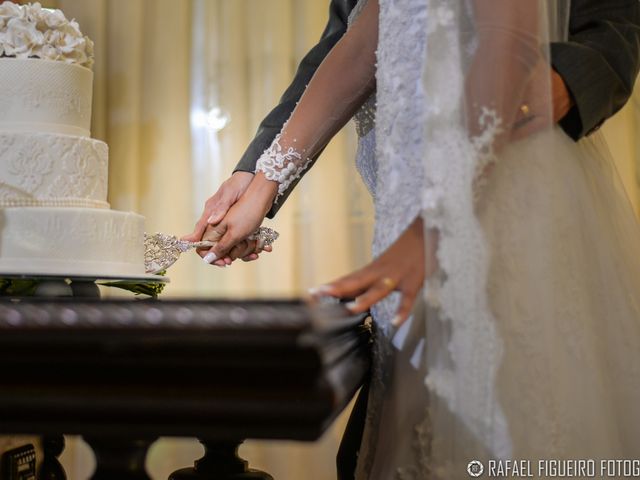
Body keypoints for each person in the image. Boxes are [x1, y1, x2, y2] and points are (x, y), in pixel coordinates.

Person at [185, 0, 640, 478]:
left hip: (499, 195)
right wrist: (262, 181)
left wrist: (432, 228)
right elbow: (363, 39)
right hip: (412, 212)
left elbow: (507, 47)